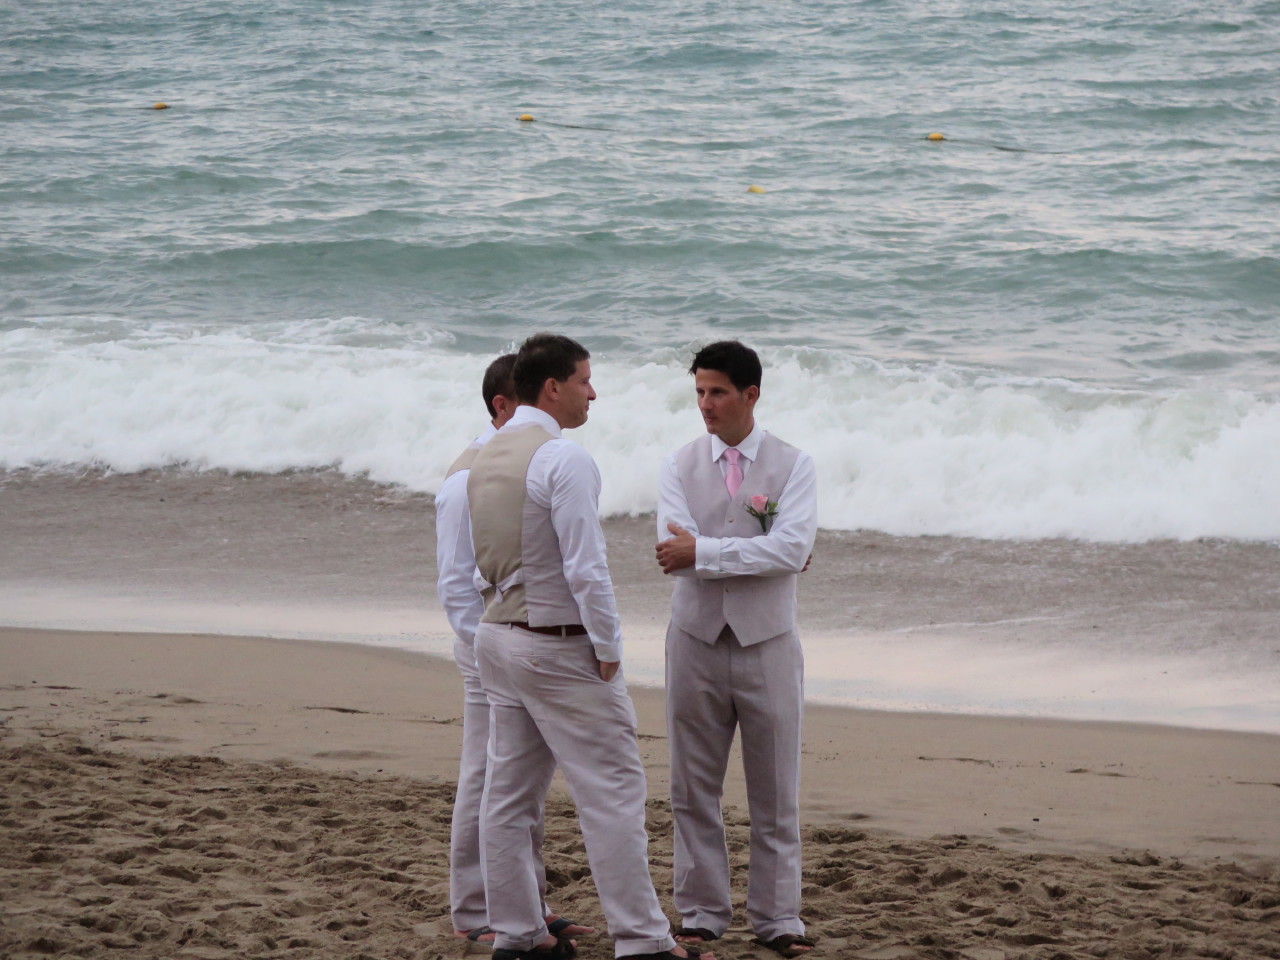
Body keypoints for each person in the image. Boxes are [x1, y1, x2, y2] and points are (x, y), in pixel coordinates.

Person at [468, 333, 709, 960]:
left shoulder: (484, 455)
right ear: (553, 388)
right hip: (555, 643)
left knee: (508, 796)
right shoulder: (562, 458)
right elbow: (585, 566)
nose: (592, 393)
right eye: (584, 381)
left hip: (496, 635)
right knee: (614, 791)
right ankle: (643, 939)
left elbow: (477, 561)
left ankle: (519, 934)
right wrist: (608, 645)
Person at [654, 340, 818, 958]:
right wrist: (748, 554)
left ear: (751, 394)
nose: (706, 404)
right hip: (693, 639)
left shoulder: (794, 465)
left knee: (775, 789)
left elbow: (792, 549)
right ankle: (700, 912)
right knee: (692, 786)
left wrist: (705, 551)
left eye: (718, 392)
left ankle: (779, 918)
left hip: (767, 642)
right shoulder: (677, 464)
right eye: (699, 391)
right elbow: (672, 552)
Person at [434, 353, 593, 945]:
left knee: (521, 784)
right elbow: (455, 582)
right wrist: (485, 649)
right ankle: (475, 909)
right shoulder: (466, 478)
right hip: (489, 643)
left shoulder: (527, 462)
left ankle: (528, 904)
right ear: (503, 406)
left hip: (517, 639)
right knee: (486, 778)